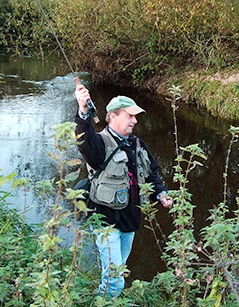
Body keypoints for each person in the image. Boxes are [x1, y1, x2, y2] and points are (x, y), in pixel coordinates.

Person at [74, 84, 172, 298]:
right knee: (115, 280)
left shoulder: (138, 144)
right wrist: (83, 111)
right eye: (130, 116)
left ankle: (104, 301)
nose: (135, 121)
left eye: (135, 117)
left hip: (130, 221)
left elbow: (152, 174)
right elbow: (84, 139)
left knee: (117, 272)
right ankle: (106, 301)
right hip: (105, 222)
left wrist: (161, 194)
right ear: (113, 116)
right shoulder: (99, 143)